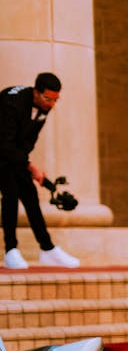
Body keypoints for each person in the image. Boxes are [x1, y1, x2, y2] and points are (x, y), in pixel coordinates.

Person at [0, 72, 80, 269]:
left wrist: (28, 167)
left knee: (30, 195)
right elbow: (4, 144)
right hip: (1, 149)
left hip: (12, 153)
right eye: (48, 98)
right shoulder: (12, 103)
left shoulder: (43, 107)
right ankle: (11, 250)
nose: (51, 104)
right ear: (36, 92)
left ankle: (48, 249)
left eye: (55, 100)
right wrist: (31, 166)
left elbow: (27, 141)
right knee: (11, 192)